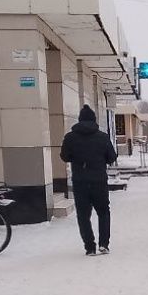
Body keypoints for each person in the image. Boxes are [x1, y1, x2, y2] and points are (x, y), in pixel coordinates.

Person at [60, 104, 117, 256]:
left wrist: (77, 159)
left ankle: (89, 247)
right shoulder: (102, 137)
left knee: (83, 215)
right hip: (99, 181)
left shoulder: (70, 137)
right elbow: (112, 157)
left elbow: (64, 156)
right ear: (93, 120)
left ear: (79, 120)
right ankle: (104, 244)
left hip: (80, 182)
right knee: (104, 212)